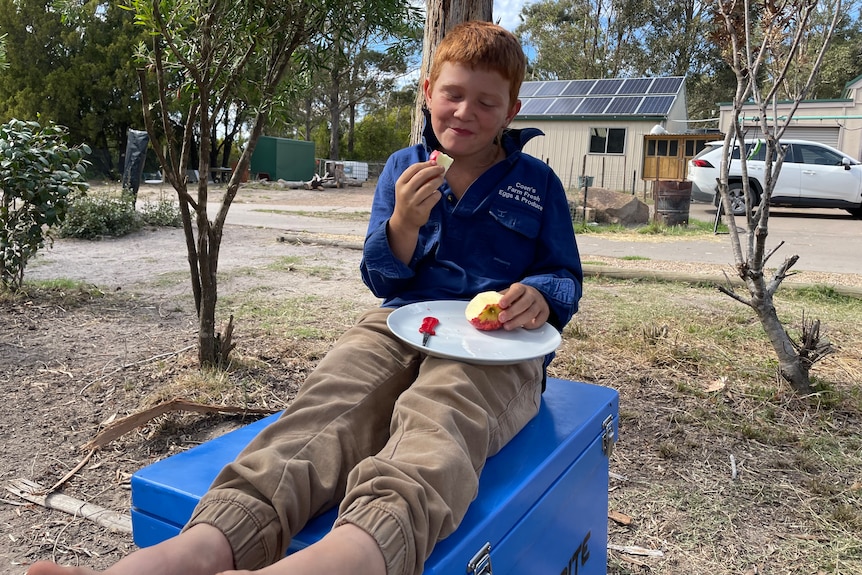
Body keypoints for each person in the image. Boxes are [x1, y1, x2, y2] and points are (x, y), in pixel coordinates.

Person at [28, 20, 582, 575]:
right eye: (453, 94)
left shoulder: (536, 184)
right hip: (399, 323)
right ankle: (202, 548)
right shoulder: (402, 168)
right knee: (326, 405)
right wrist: (404, 223)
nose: (465, 112)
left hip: (495, 348)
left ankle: (356, 556)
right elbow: (383, 277)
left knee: (442, 420)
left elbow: (563, 276)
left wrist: (538, 294)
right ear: (429, 92)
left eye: (486, 102)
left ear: (511, 111)